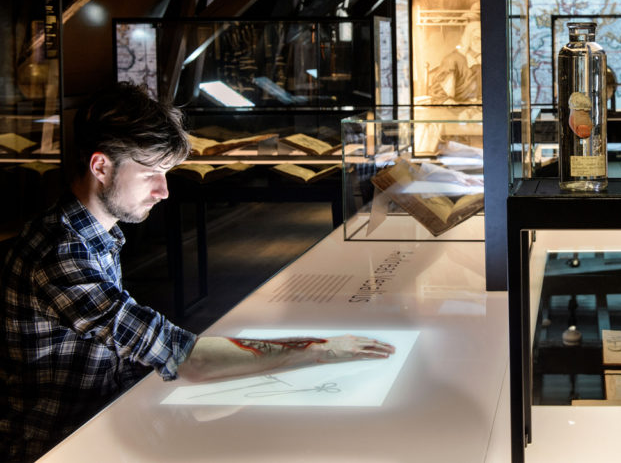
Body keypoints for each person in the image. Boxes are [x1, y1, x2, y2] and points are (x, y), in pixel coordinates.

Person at [0, 83, 394, 461]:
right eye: (152, 171)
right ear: (101, 166)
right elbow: (180, 353)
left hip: (105, 420)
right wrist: (319, 350)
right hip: (60, 445)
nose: (164, 191)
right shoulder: (61, 256)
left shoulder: (93, 236)